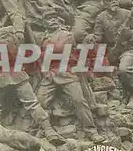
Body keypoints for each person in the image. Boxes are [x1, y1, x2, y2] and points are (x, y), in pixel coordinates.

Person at [0, 12, 66, 146]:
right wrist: (17, 16)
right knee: (33, 104)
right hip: (17, 75)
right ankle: (49, 131)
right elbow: (19, 23)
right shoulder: (12, 36)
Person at [36, 9, 104, 143]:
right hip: (50, 74)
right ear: (45, 23)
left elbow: (59, 49)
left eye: (55, 18)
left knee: (79, 100)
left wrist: (46, 49)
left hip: (67, 73)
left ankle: (91, 131)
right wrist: (45, 71)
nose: (53, 20)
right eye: (49, 19)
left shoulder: (67, 35)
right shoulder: (42, 38)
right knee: (40, 101)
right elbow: (40, 58)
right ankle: (43, 129)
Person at [85, 0, 133, 109]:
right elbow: (98, 36)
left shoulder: (127, 14)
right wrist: (91, 37)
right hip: (112, 49)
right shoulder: (101, 17)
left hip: (128, 48)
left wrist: (129, 33)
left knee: (124, 69)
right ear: (105, 3)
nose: (114, 2)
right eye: (110, 0)